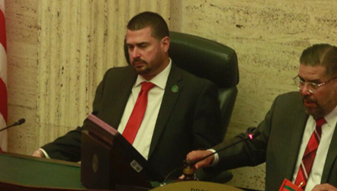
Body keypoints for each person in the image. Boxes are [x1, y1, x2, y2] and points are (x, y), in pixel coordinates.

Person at [186, 44, 337, 191]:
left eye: (314, 84)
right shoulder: (286, 107)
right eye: (301, 81)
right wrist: (212, 155)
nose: (304, 91)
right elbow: (253, 144)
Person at [34, 11, 223, 178]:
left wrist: (190, 181)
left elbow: (207, 158)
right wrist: (45, 153)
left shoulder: (196, 92)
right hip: (103, 181)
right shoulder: (115, 80)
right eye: (130, 47)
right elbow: (91, 134)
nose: (134, 54)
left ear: (165, 44)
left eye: (142, 46)